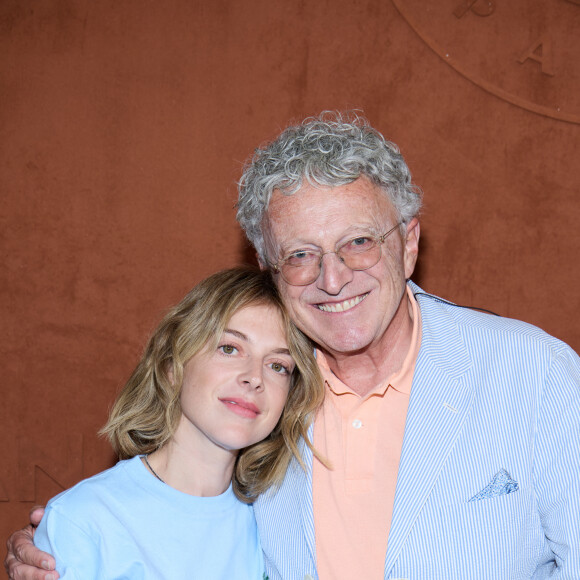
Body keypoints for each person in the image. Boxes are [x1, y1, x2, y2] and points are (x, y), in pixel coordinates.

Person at [6, 112, 580, 579]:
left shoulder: (532, 373)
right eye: (302, 254)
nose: (333, 279)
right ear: (269, 268)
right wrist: (63, 543)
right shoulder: (267, 406)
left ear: (408, 244)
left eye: (358, 242)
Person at [14, 267, 324, 579]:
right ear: (172, 366)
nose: (255, 377)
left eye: (278, 365)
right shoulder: (84, 521)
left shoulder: (275, 527)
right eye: (229, 348)